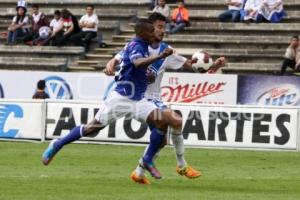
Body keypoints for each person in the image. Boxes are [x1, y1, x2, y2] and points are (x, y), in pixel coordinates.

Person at [42, 19, 182, 181]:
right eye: (151, 32)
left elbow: (130, 65)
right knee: (92, 129)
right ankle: (58, 144)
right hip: (122, 98)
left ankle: (147, 160)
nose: (154, 34)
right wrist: (160, 56)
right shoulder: (136, 45)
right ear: (142, 34)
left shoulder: (144, 45)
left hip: (139, 100)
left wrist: (146, 73)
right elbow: (137, 63)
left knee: (163, 121)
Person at [104, 13, 226, 184]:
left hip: (154, 100)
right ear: (150, 29)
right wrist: (110, 64)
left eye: (164, 27)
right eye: (159, 27)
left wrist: (213, 66)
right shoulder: (136, 46)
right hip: (139, 100)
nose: (163, 31)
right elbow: (116, 59)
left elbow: (191, 65)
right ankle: (181, 165)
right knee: (175, 121)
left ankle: (139, 172)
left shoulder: (166, 51)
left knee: (161, 140)